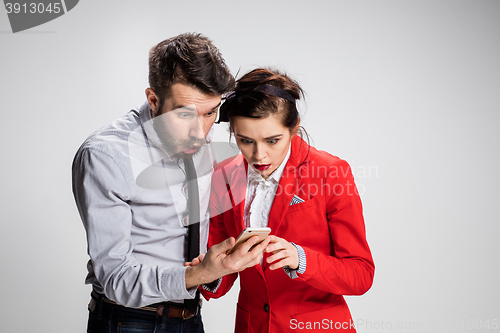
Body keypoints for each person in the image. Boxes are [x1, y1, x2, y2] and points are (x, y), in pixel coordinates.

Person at [72, 33, 270, 333]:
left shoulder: (200, 138)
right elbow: (115, 279)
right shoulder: (107, 156)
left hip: (191, 317)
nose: (201, 133)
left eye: (210, 113)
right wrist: (199, 274)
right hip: (129, 321)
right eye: (184, 114)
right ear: (153, 100)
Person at [201, 68, 375, 332]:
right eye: (245, 140)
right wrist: (209, 272)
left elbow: (360, 274)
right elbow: (223, 272)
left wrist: (300, 258)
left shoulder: (330, 172)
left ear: (294, 127)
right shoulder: (223, 175)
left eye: (273, 140)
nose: (259, 155)